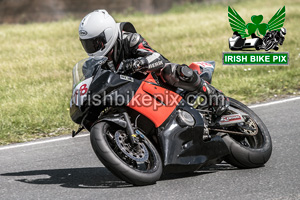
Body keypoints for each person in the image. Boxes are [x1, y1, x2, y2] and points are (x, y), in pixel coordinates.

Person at [78, 9, 228, 116]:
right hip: (132, 96)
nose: (92, 48)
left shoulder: (130, 40)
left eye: (96, 42)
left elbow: (156, 59)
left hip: (158, 84)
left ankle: (214, 95)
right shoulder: (94, 64)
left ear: (108, 34)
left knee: (170, 71)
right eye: (88, 44)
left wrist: (136, 63)